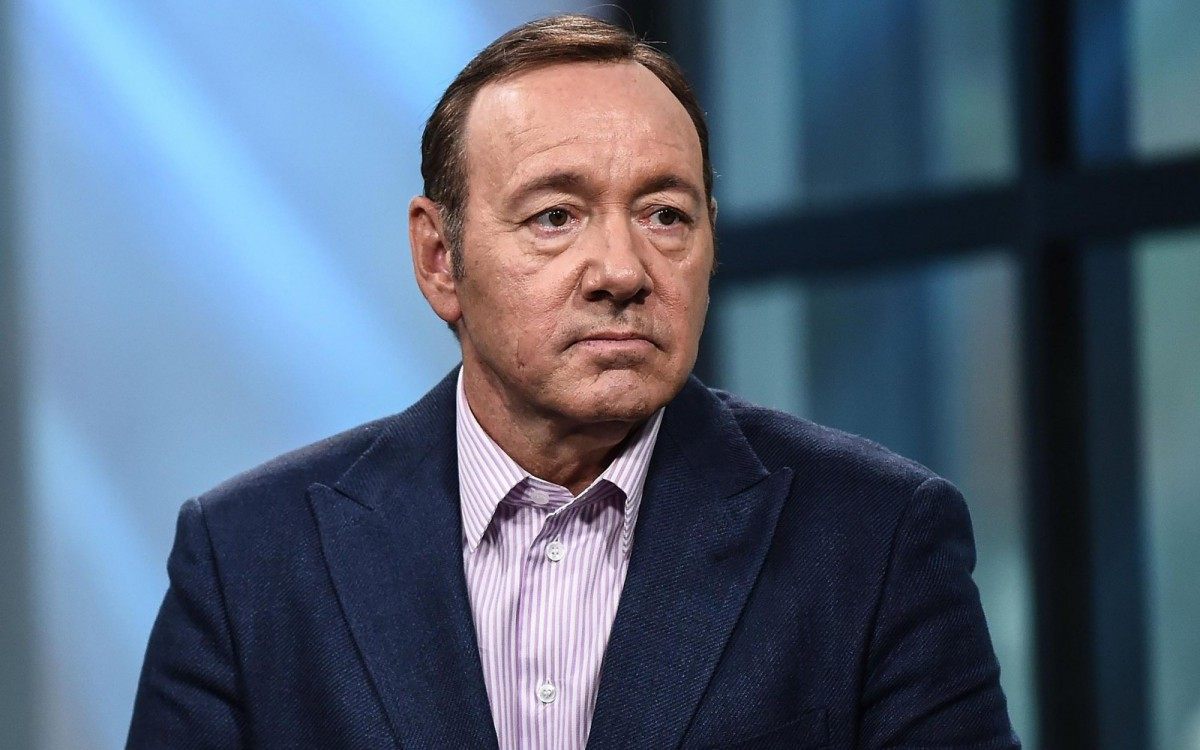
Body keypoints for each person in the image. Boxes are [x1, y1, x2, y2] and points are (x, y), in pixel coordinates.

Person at [127, 14, 1019, 750]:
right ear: (439, 258)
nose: (622, 271)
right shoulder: (249, 561)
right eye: (555, 216)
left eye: (665, 215)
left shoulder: (875, 537)